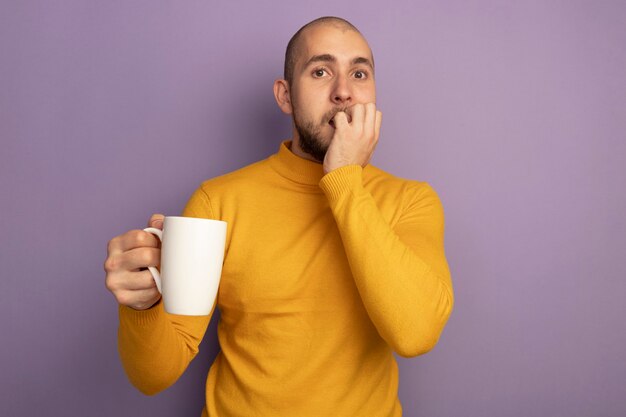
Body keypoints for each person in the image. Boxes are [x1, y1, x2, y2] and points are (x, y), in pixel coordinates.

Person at [104, 16, 454, 417]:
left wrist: (343, 181)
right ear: (285, 96)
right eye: (321, 71)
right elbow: (154, 376)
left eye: (359, 73)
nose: (343, 93)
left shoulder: (411, 201)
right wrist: (142, 307)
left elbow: (417, 334)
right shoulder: (218, 201)